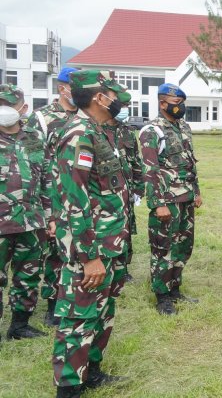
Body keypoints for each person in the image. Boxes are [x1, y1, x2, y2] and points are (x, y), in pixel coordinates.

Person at [51, 70, 131, 397]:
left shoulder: (98, 131)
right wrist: (90, 257)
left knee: (102, 312)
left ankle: (90, 372)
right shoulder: (79, 134)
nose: (117, 99)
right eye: (112, 93)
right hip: (90, 249)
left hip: (109, 243)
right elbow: (74, 201)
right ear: (99, 97)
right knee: (79, 318)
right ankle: (69, 387)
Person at [139, 83, 202, 316]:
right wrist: (158, 204)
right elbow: (150, 169)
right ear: (162, 103)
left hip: (185, 197)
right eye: (176, 104)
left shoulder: (183, 127)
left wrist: (196, 191)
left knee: (183, 246)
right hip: (167, 200)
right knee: (163, 248)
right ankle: (162, 296)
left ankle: (175, 289)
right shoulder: (152, 131)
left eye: (182, 104)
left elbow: (190, 162)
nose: (181, 108)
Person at [26, 66, 79, 327]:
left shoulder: (85, 117)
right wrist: (45, 209)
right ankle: (51, 304)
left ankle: (72, 299)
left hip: (80, 195)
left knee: (77, 249)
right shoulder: (42, 118)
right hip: (53, 196)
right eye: (75, 86)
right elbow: (33, 164)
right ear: (62, 88)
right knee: (55, 252)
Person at [0, 84, 49, 341]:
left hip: (32, 221)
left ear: (23, 109)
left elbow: (47, 177)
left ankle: (19, 325)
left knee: (28, 276)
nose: (3, 110)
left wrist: (50, 216)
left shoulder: (34, 137)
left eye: (8, 105)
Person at [103, 105, 144, 282]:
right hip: (106, 192)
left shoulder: (127, 132)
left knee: (126, 229)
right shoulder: (97, 130)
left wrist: (138, 188)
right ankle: (106, 266)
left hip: (126, 190)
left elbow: (135, 160)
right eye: (122, 106)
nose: (124, 110)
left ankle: (123, 268)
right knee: (108, 229)